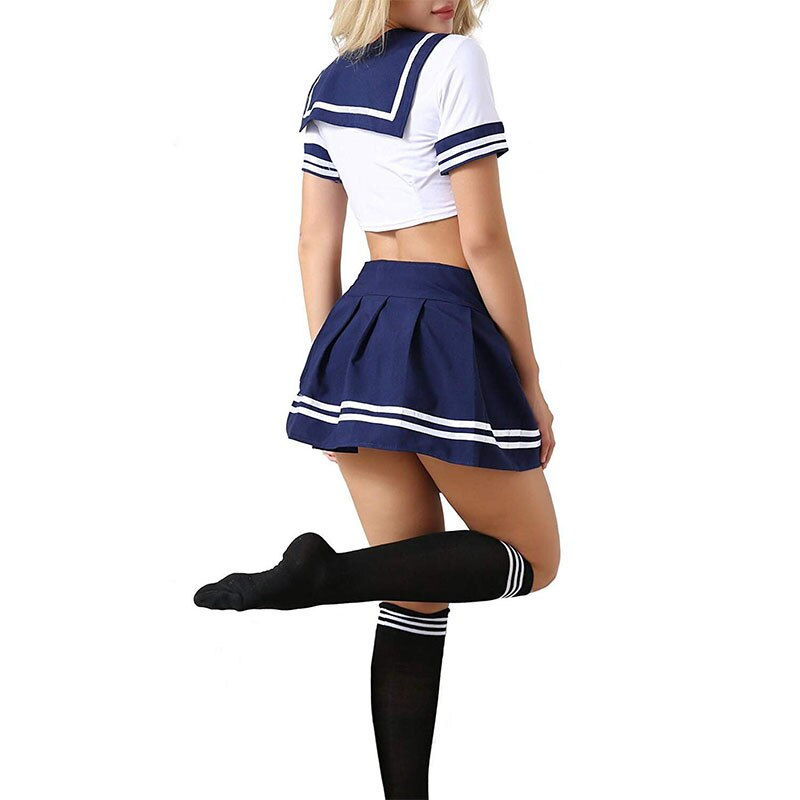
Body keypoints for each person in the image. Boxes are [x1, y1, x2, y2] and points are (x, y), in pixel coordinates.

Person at [195, 1, 560, 797]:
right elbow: (482, 239)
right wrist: (529, 378)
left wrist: (327, 371)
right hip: (444, 323)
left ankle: (320, 583)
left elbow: (314, 243)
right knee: (534, 560)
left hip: (360, 325)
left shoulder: (330, 82)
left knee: (415, 595)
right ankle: (324, 576)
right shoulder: (453, 60)